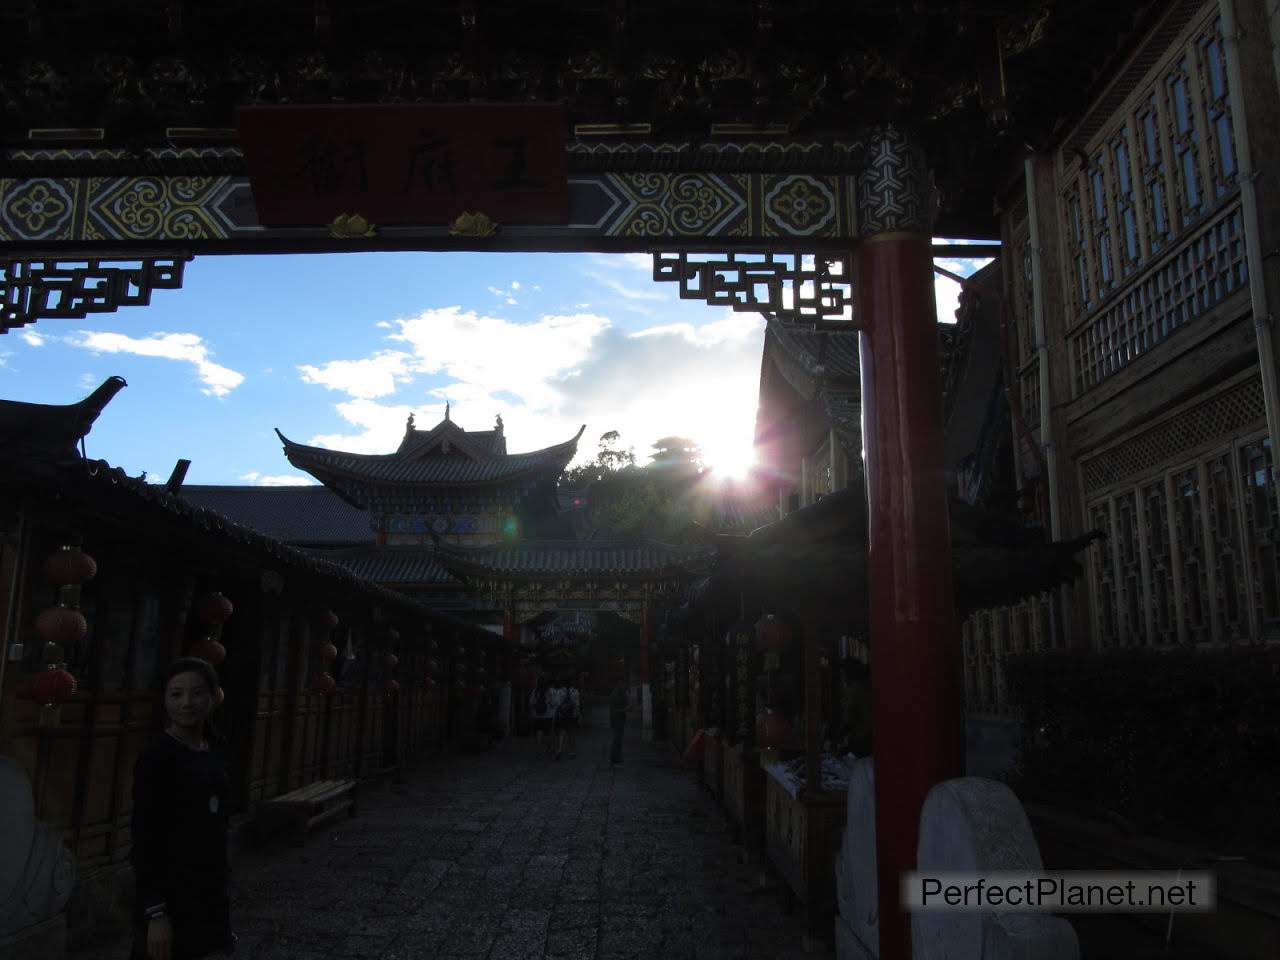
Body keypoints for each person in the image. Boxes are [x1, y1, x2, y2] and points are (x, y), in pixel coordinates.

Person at [131, 657, 234, 960]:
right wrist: (156, 912)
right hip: (170, 897)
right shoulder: (157, 757)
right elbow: (145, 838)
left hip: (209, 894)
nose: (186, 703)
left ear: (214, 696)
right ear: (164, 700)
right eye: (176, 694)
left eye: (197, 692)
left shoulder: (214, 750)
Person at [553, 676, 580, 760]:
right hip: (571, 715)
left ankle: (559, 750)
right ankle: (572, 752)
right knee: (571, 733)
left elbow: (558, 703)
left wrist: (557, 713)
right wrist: (578, 714)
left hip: (562, 714)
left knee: (561, 732)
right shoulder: (575, 691)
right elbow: (577, 704)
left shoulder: (561, 691)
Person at [529, 677, 555, 755]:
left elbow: (531, 703)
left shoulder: (535, 691)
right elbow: (553, 703)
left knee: (538, 732)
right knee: (548, 732)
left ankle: (538, 749)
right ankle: (548, 749)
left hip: (537, 715)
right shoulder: (550, 691)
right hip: (548, 714)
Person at [609, 677, 628, 767]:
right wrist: (624, 709)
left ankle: (614, 758)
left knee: (617, 739)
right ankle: (616, 759)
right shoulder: (616, 694)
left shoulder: (619, 693)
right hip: (617, 719)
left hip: (618, 719)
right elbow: (614, 709)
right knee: (617, 740)